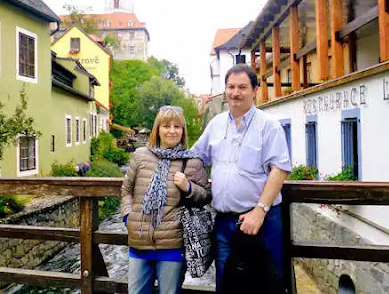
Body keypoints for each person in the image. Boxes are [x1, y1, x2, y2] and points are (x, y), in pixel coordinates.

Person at [192, 64, 291, 293]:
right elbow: (196, 158)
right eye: (231, 87)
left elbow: (280, 169)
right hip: (225, 223)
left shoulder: (269, 126)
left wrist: (260, 210)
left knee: (267, 286)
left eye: (242, 87)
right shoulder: (215, 124)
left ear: (255, 90)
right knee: (227, 286)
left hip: (262, 222)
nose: (235, 92)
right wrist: (187, 184)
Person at [121, 105, 211, 294]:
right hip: (139, 241)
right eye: (166, 126)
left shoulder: (192, 161)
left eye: (177, 126)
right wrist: (128, 218)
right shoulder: (140, 156)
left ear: (183, 131)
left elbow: (206, 195)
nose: (171, 131)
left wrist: (188, 188)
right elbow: (126, 190)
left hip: (172, 245)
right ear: (158, 129)